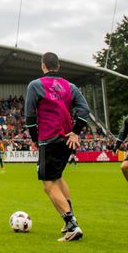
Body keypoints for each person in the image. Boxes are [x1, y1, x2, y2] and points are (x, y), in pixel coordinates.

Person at [24, 51, 90, 242]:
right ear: (58, 66)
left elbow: (29, 117)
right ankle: (70, 218)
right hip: (67, 139)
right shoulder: (70, 86)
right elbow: (84, 110)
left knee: (48, 184)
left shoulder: (35, 85)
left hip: (49, 139)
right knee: (58, 178)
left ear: (43, 66)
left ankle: (72, 225)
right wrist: (76, 131)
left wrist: (35, 139)